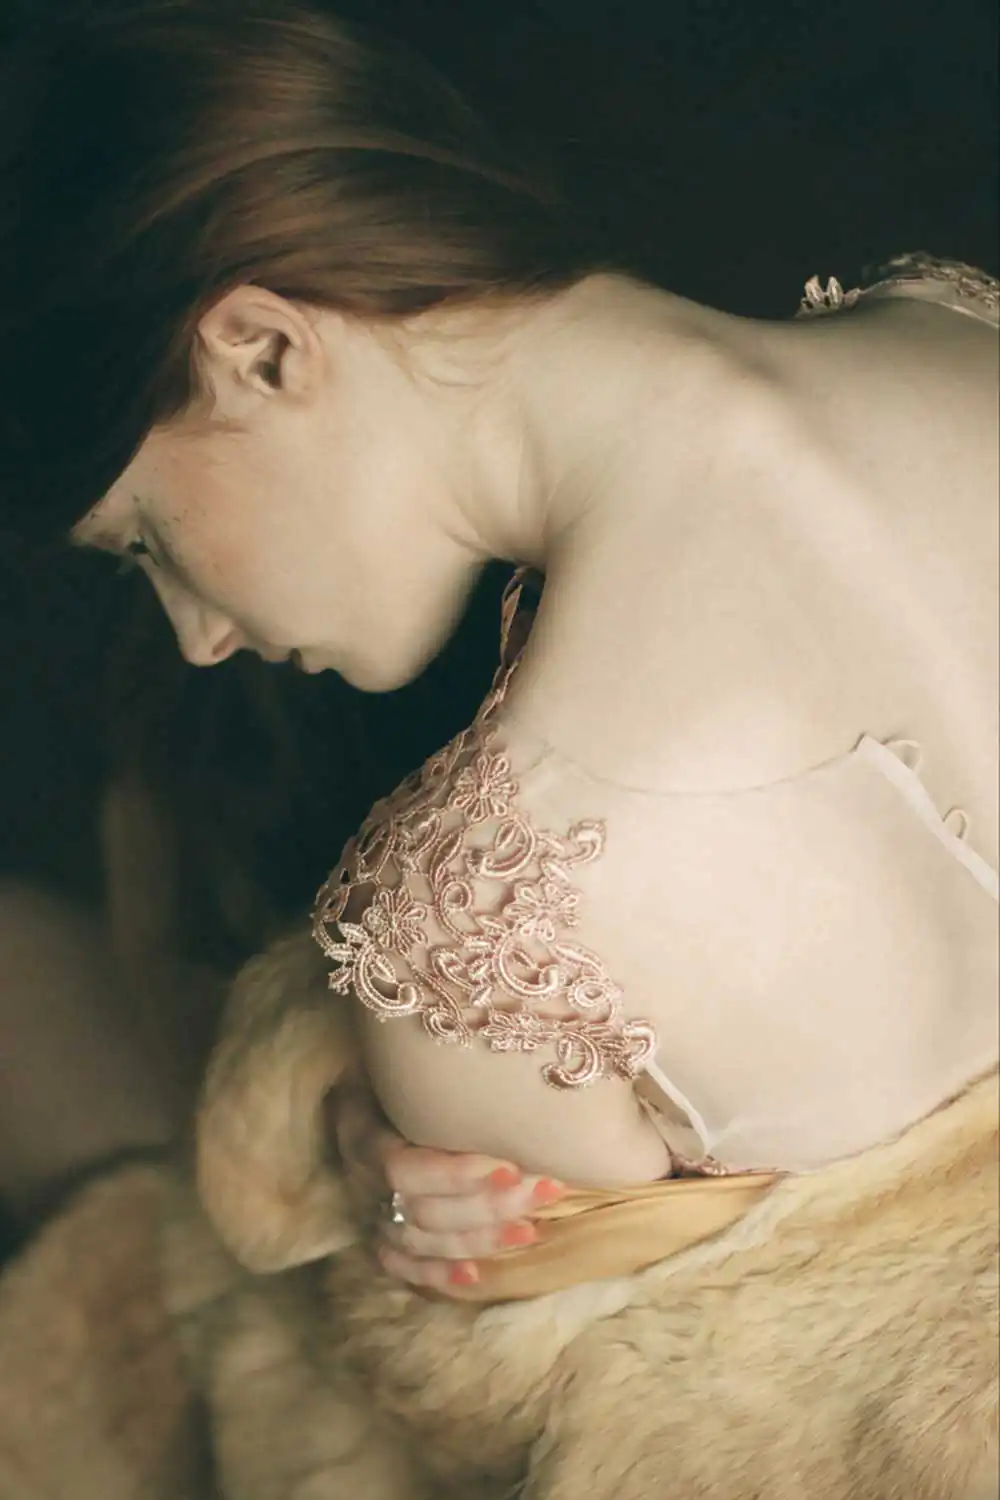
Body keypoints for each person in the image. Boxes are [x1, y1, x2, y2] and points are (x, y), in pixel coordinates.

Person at [3, 0, 997, 1298]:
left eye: (142, 539)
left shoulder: (472, 938)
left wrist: (357, 1163)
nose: (197, 635)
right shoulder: (956, 322)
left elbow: (595, 1392)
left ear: (263, 350)